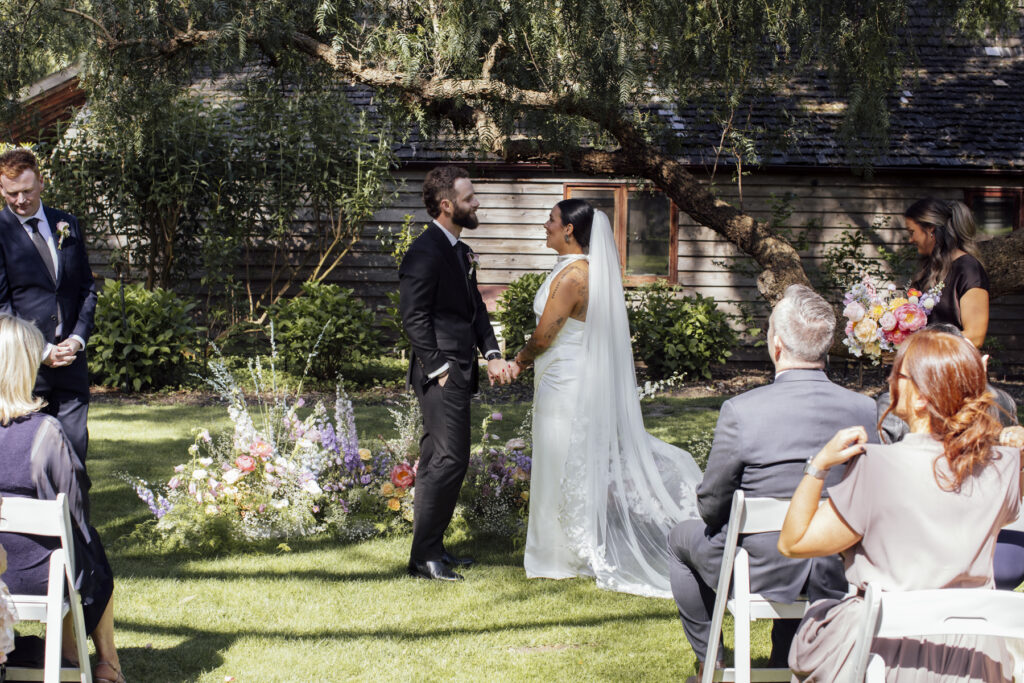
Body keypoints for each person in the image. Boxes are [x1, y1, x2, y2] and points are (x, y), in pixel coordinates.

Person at [779, 329, 1019, 682]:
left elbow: (794, 542)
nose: (890, 381)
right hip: (976, 659)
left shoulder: (877, 466)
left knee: (816, 624)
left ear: (922, 398)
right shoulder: (1005, 468)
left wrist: (819, 466)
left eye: (898, 374)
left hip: (889, 654)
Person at [666, 284, 877, 681]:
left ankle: (711, 663)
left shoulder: (742, 411)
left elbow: (710, 506)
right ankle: (784, 660)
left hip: (761, 566)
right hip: (838, 562)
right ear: (825, 347)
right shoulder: (865, 409)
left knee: (681, 539)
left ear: (777, 345)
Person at [509, 200, 703, 596]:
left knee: (559, 460)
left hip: (565, 380)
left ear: (569, 230)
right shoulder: (578, 270)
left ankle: (561, 554)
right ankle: (565, 547)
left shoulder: (574, 277)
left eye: (551, 220)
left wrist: (519, 361)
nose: (545, 225)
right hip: (564, 373)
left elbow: (544, 337)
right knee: (566, 460)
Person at [399, 166, 510, 582]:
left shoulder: (460, 251)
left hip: (460, 367)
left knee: (445, 459)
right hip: (441, 371)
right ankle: (424, 558)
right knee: (447, 459)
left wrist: (492, 352)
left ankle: (433, 550)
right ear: (447, 205)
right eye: (469, 198)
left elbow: (474, 308)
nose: (476, 203)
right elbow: (414, 316)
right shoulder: (424, 251)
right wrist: (439, 367)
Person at [0, 315, 124, 683]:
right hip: (36, 576)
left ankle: (70, 656)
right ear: (26, 367)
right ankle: (102, 662)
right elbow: (75, 510)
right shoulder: (46, 433)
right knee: (88, 544)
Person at [0, 148, 97, 487]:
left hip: (71, 361)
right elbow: (2, 306)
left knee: (74, 456)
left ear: (41, 182)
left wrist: (77, 338)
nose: (20, 200)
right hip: (22, 368)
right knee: (26, 461)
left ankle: (76, 521)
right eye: (12, 193)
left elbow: (86, 289)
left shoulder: (66, 224)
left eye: (27, 191)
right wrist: (40, 350)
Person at [904, 198, 988, 347]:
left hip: (951, 359)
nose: (910, 240)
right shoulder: (929, 269)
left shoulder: (968, 269)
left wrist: (924, 344)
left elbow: (975, 336)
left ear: (930, 229)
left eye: (912, 232)